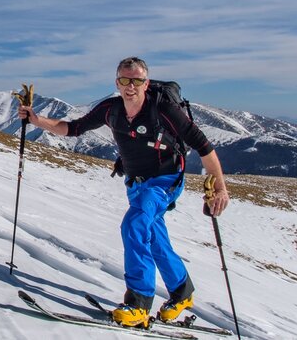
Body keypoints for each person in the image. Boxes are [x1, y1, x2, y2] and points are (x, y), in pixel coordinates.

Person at [18, 56, 230, 328]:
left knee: (134, 224)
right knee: (152, 235)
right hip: (136, 183)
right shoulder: (111, 109)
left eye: (137, 80)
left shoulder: (163, 110)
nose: (130, 86)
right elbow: (72, 128)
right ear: (117, 82)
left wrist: (220, 188)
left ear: (146, 83)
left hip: (164, 181)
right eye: (124, 80)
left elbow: (204, 148)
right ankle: (181, 291)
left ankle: (139, 303)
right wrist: (36, 120)